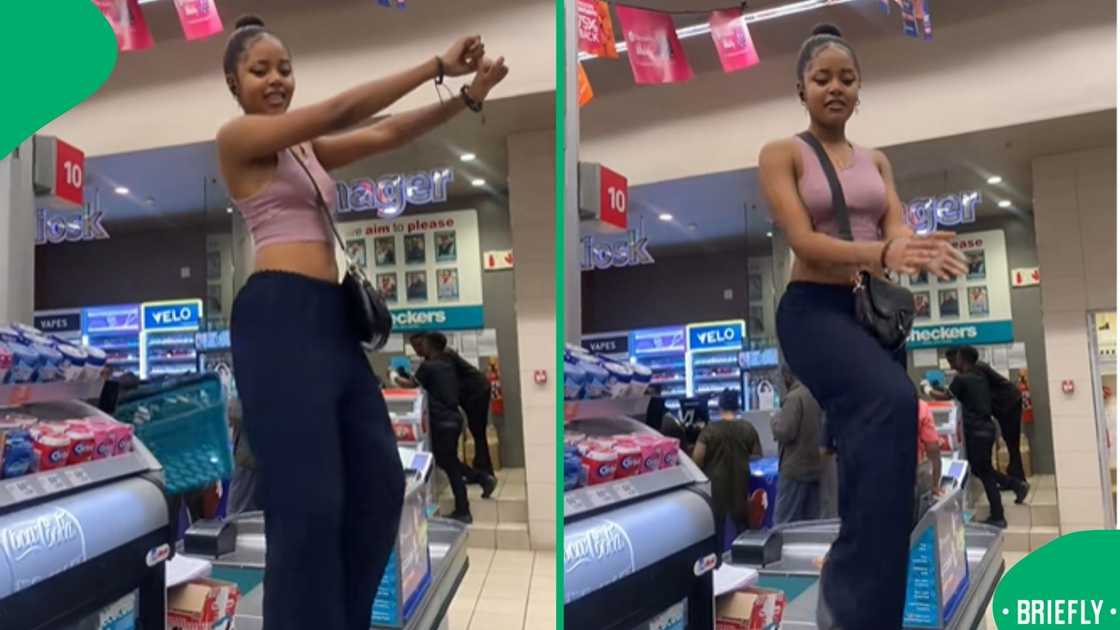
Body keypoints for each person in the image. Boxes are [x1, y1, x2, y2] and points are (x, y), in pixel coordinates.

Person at [217, 14, 508, 629]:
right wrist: (435, 65)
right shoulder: (238, 138)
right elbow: (342, 110)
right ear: (234, 84)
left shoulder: (303, 150)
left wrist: (467, 97)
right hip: (278, 318)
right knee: (307, 506)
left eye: (285, 68)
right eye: (260, 70)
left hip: (331, 321)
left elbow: (389, 132)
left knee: (378, 482)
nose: (276, 79)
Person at [757, 23, 969, 629]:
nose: (836, 88)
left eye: (847, 79)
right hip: (812, 311)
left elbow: (894, 223)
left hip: (871, 320)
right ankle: (848, 600)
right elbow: (803, 240)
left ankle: (868, 609)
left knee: (884, 454)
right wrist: (882, 253)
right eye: (822, 78)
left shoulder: (877, 161)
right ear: (801, 88)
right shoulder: (782, 153)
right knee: (893, 399)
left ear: (859, 90)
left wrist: (912, 246)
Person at [928, 347, 1029, 528]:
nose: (953, 364)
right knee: (981, 469)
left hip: (978, 430)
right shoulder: (978, 377)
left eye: (955, 359)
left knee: (985, 472)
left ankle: (999, 513)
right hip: (988, 428)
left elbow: (946, 396)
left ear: (962, 359)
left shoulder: (962, 379)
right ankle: (1015, 484)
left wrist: (927, 389)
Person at [406, 333, 497, 521]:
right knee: (449, 459)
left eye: (421, 345)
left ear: (430, 346)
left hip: (447, 418)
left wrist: (395, 377)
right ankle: (482, 477)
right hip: (455, 417)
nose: (419, 349)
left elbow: (411, 386)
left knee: (451, 462)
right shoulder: (445, 364)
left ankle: (467, 503)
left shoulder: (430, 366)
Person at [692, 389, 763, 553]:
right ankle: (745, 560)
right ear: (737, 406)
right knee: (743, 530)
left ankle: (719, 563)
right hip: (740, 486)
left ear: (720, 406)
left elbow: (697, 459)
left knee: (717, 531)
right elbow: (757, 456)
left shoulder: (709, 430)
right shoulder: (747, 428)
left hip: (716, 489)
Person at [947, 346, 1026, 485]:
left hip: (1009, 402)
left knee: (1012, 443)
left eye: (953, 362)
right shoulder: (972, 370)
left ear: (960, 359)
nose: (952, 366)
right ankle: (1016, 478)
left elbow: (975, 391)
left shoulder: (977, 369)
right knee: (1011, 443)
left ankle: (1018, 480)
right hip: (1005, 404)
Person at [424, 331, 496, 478]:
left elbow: (447, 378)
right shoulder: (442, 355)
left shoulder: (445, 355)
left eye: (423, 345)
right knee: (478, 433)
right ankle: (483, 470)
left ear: (432, 345)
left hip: (476, 392)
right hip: (474, 392)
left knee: (478, 432)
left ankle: (484, 471)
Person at [772, 368, 823, 524]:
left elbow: (785, 432)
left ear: (788, 376)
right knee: (811, 524)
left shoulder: (794, 397)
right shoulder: (815, 394)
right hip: (815, 468)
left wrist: (774, 421)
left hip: (794, 470)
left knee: (784, 523)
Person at [915, 397, 943, 523]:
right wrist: (935, 485)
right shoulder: (920, 406)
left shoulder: (868, 402)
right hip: (910, 472)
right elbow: (933, 448)